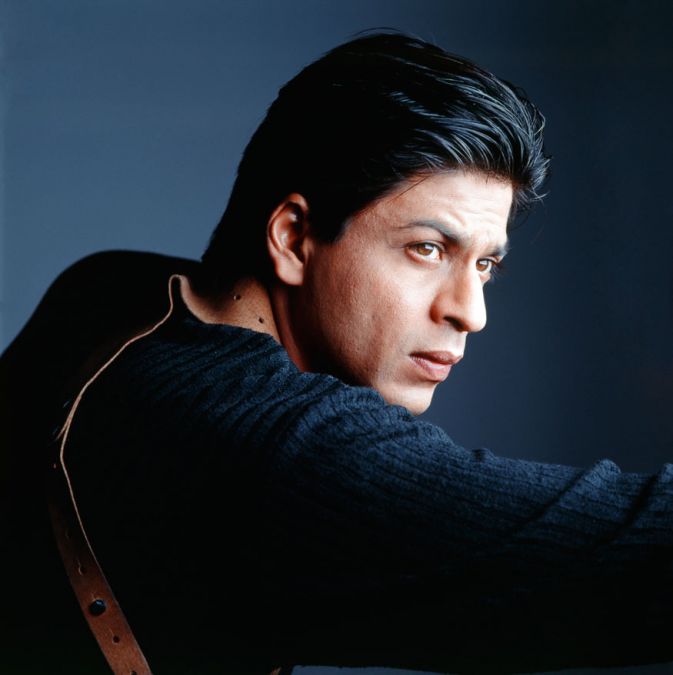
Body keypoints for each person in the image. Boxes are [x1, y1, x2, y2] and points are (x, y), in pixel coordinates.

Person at [1, 31, 672, 675]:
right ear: (293, 238)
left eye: (485, 264)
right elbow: (634, 555)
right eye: (427, 249)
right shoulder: (285, 454)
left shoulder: (108, 286)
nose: (470, 311)